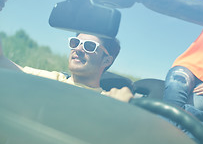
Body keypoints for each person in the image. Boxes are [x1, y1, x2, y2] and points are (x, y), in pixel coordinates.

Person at [0, 33, 133, 102]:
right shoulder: (52, 79)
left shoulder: (110, 100)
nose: (78, 49)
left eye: (89, 46)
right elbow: (2, 63)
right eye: (75, 43)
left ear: (106, 60)